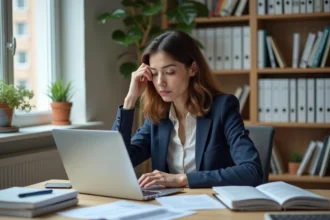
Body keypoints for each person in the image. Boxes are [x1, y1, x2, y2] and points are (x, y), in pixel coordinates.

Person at [112, 30, 263, 188]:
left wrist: (182, 179)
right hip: (170, 207)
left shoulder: (223, 108)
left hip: (214, 206)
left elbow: (252, 171)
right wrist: (130, 100)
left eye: (170, 72)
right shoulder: (158, 116)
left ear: (193, 69)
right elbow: (118, 162)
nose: (160, 82)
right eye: (154, 74)